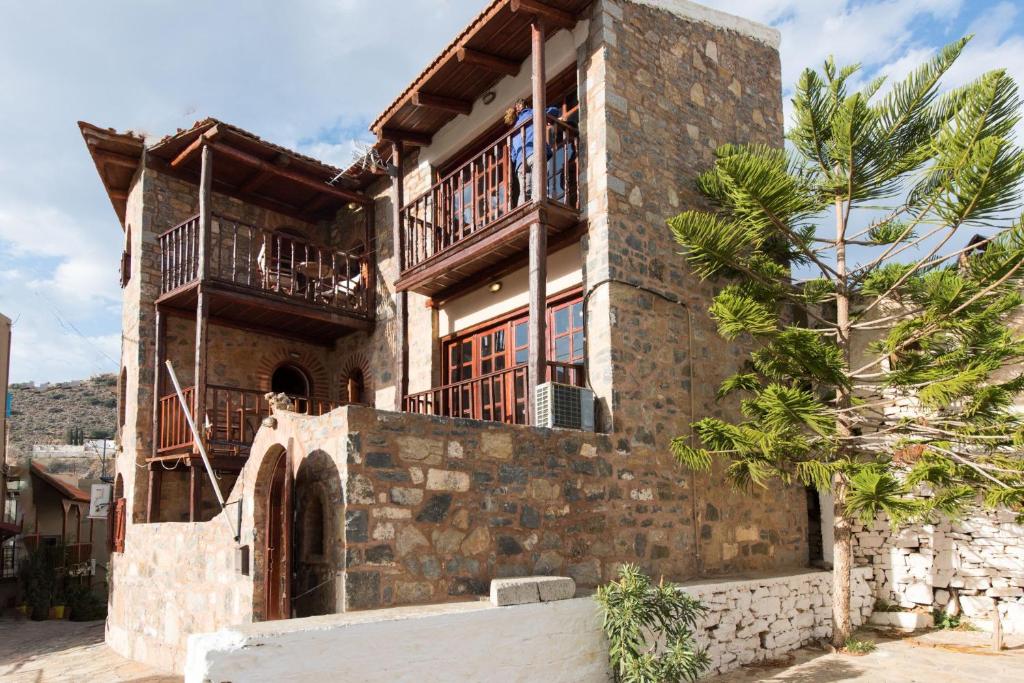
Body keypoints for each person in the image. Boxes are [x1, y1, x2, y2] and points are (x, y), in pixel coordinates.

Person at [506, 99, 560, 207]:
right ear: (525, 105)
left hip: (520, 163)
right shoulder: (530, 113)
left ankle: (522, 213)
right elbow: (553, 111)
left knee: (524, 192)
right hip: (534, 153)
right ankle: (541, 206)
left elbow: (512, 156)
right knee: (539, 184)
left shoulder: (514, 128)